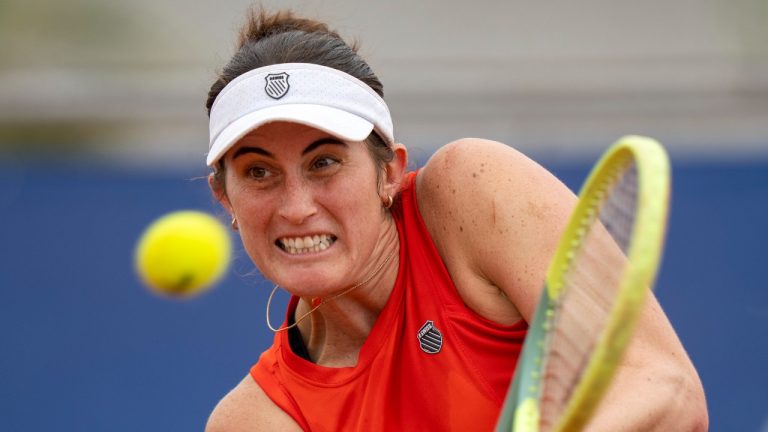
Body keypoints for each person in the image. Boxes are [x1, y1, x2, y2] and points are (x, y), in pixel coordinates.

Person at [203, 8, 707, 431]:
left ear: (389, 173)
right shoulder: (255, 420)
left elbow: (668, 389)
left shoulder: (468, 190)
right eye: (259, 171)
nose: (295, 206)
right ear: (225, 198)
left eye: (324, 162)